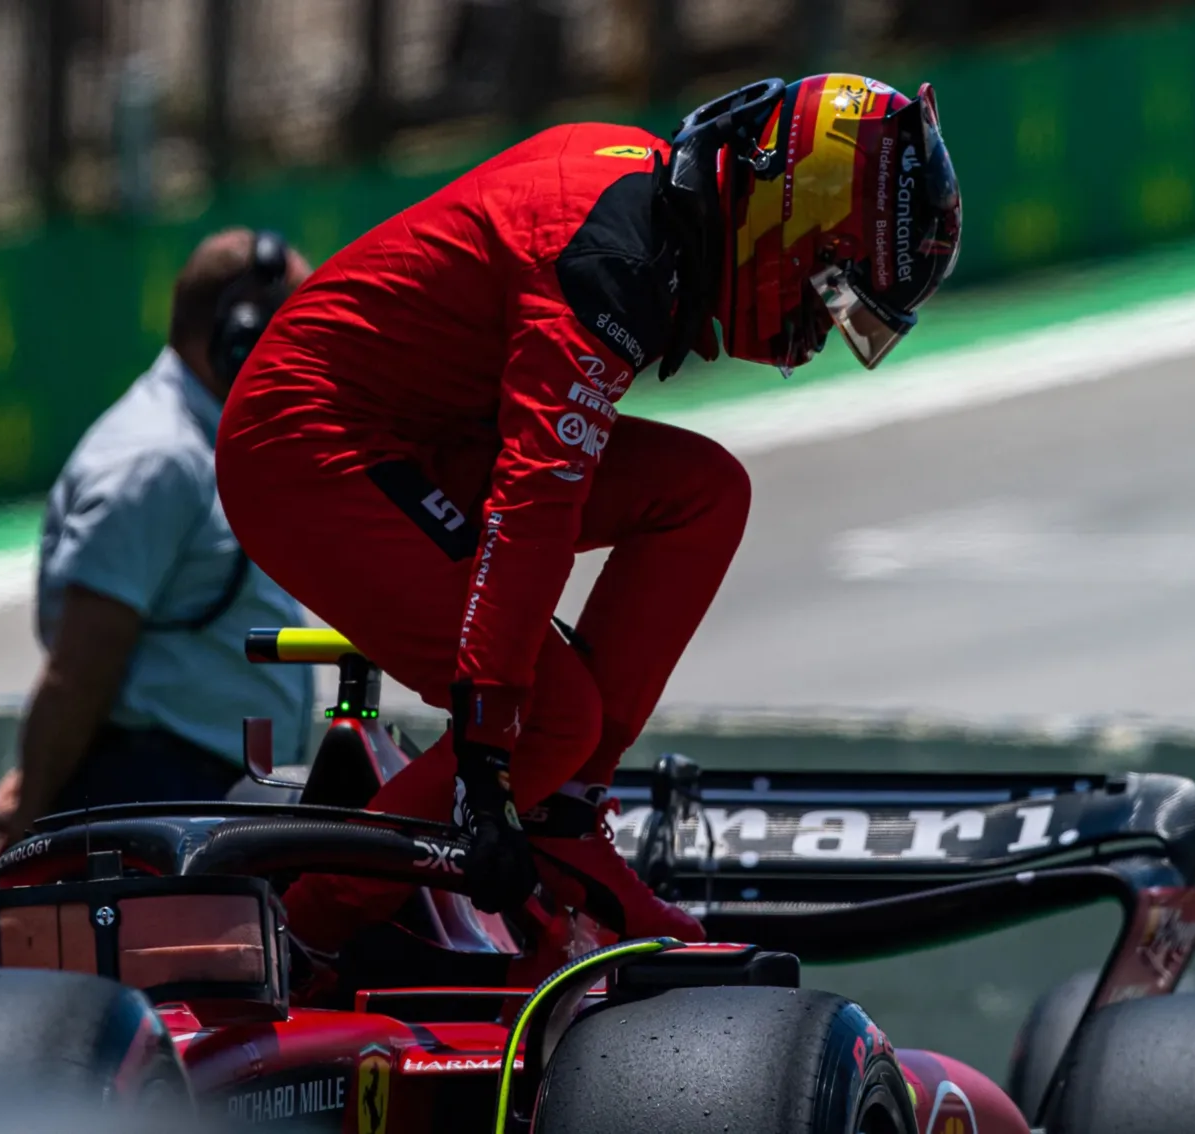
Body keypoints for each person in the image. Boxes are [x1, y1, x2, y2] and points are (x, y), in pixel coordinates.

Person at [215, 73, 962, 952]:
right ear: (791, 225)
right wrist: (489, 760)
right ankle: (300, 941)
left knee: (705, 495)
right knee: (549, 716)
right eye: (835, 293)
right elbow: (533, 507)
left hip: (419, 430)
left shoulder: (650, 218)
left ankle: (564, 824)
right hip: (307, 447)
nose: (817, 330)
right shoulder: (613, 262)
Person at [0, 228, 318, 866]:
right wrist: (30, 812)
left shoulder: (201, 443)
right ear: (238, 333)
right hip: (157, 797)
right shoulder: (158, 458)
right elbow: (81, 665)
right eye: (294, 330)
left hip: (193, 793)